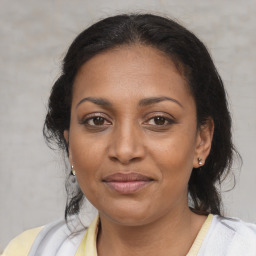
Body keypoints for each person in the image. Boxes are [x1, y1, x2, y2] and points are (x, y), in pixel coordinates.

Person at [2, 13, 256, 256]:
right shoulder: (31, 250)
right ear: (70, 144)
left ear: (202, 141)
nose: (124, 150)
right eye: (97, 120)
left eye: (158, 120)